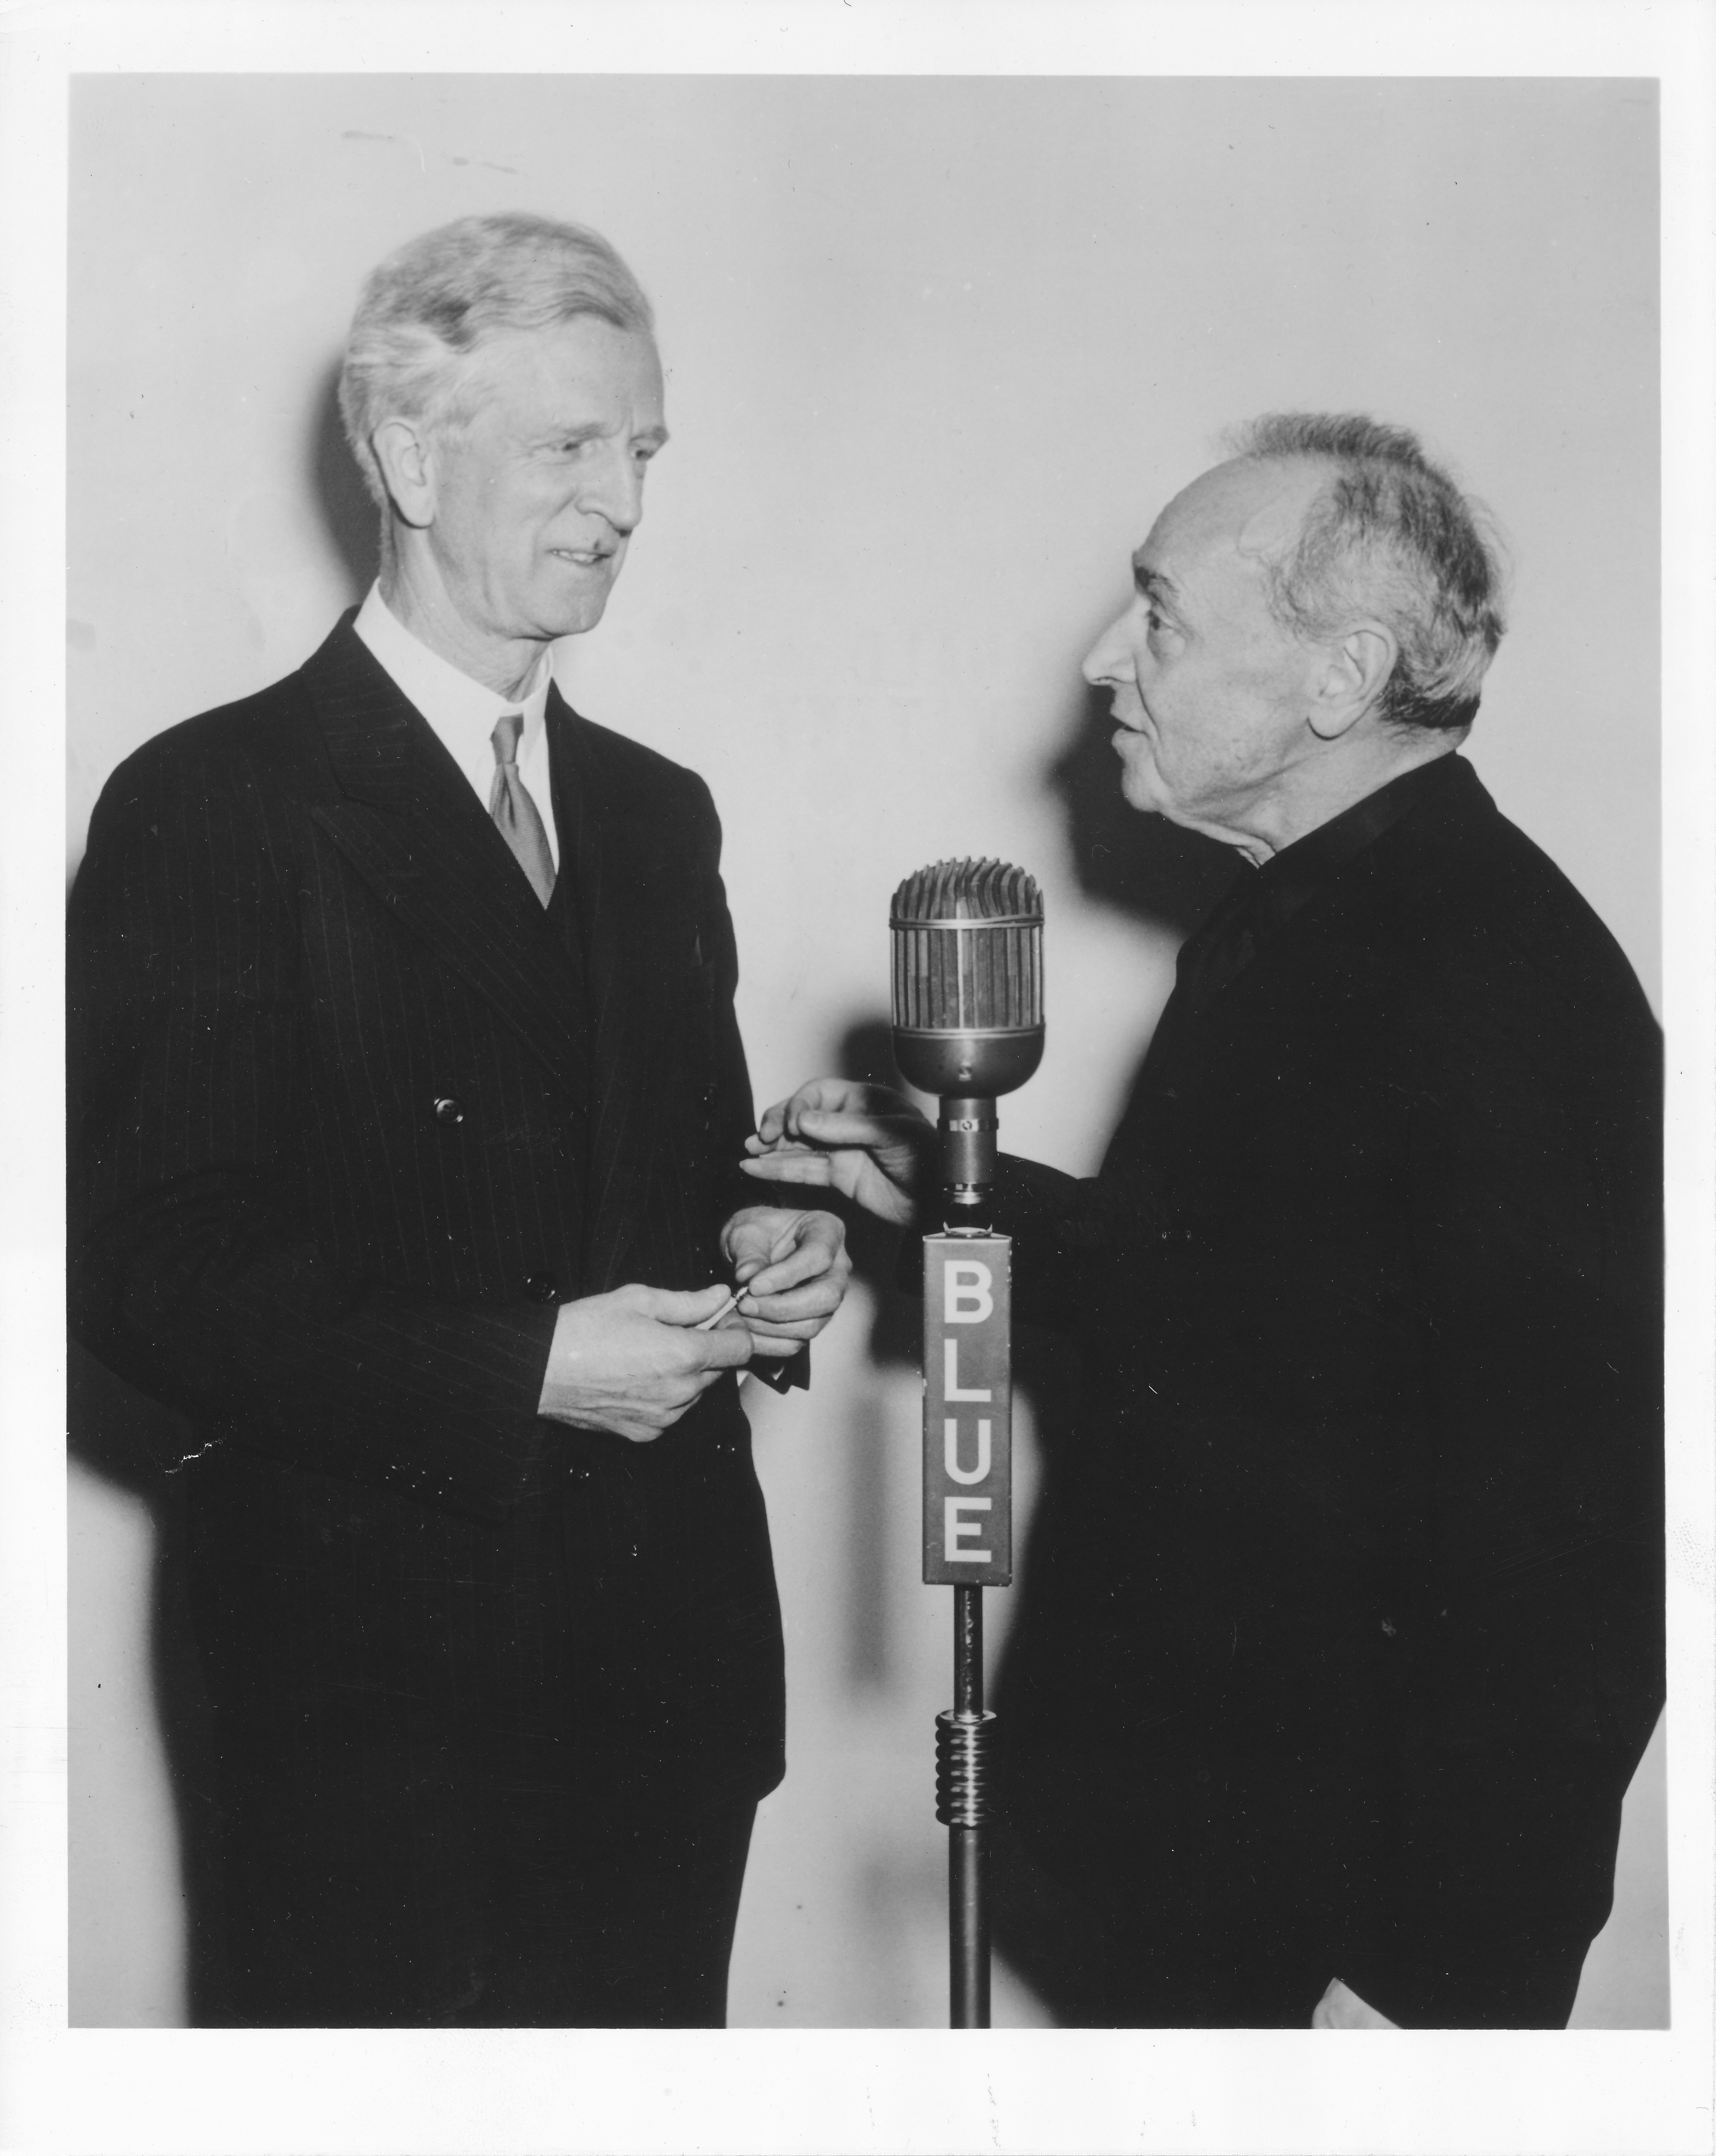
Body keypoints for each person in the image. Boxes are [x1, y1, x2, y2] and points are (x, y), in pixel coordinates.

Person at [742, 414, 1664, 2029]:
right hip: (1210, 1881)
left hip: (1345, 1943)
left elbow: (1578, 1537)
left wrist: (1414, 1985)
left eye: (1161, 615)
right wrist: (955, 1194)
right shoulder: (1327, 916)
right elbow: (1262, 1307)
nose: (1106, 660)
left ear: (1338, 676)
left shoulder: (1495, 979)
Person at [67, 212, 851, 2028]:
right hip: (370, 1705)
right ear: (411, 455)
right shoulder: (215, 802)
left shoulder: (662, 817)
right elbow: (143, 1268)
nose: (622, 502)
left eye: (642, 451)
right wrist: (520, 1370)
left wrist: (762, 1243)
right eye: (571, 445)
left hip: (668, 1682)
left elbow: (678, 1174)